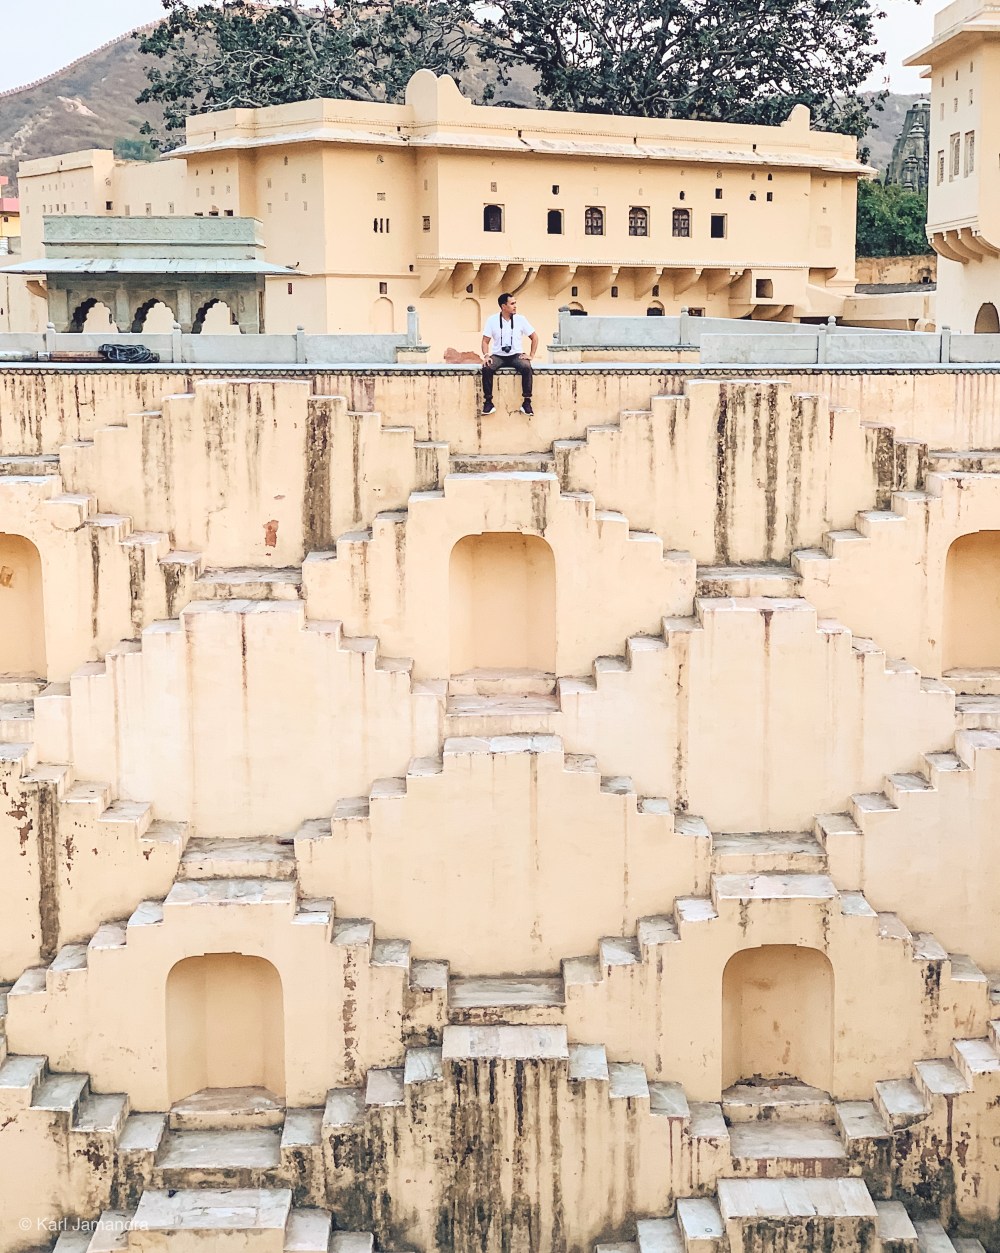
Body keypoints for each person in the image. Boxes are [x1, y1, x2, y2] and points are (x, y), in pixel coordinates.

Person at [481, 293, 538, 416]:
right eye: (512, 304)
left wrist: (531, 355)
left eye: (515, 303)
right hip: (498, 355)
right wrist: (486, 355)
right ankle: (488, 402)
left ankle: (527, 402)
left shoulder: (520, 319)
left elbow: (534, 337)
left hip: (516, 355)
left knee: (527, 367)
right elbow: (485, 341)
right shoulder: (492, 320)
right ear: (503, 306)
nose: (515, 306)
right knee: (486, 368)